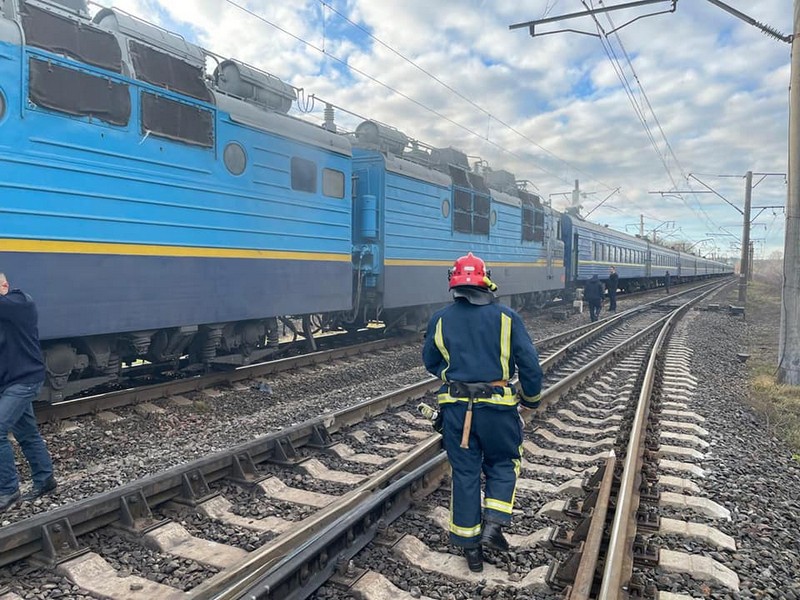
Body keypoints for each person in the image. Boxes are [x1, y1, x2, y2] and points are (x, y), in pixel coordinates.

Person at [422, 252, 543, 573]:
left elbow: (431, 362)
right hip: (498, 409)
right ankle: (494, 524)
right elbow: (530, 364)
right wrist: (531, 399)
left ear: (455, 283)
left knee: (464, 474)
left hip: (456, 409)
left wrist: (458, 374)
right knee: (504, 462)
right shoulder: (507, 318)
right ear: (485, 281)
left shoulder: (440, 319)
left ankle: (470, 549)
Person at [0, 273, 56, 512]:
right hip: (9, 382)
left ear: (4, 285)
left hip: (24, 381)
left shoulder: (21, 303)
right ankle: (45, 480)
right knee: (27, 433)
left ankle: (9, 491)